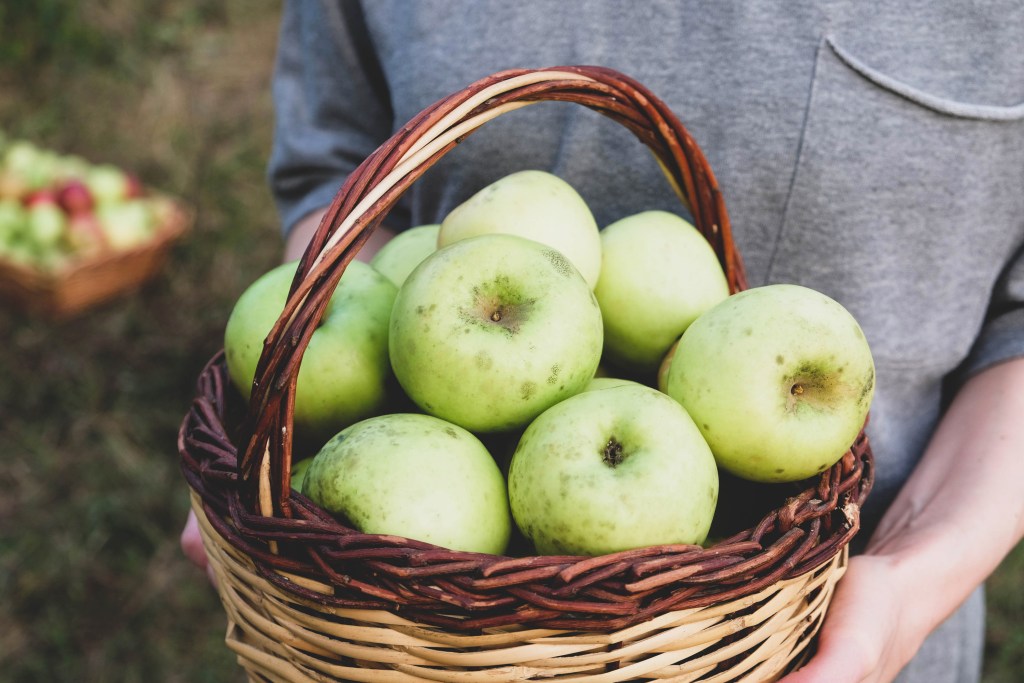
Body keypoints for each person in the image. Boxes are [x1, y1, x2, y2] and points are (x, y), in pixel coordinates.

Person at [181, 2, 1024, 681]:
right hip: (415, 639)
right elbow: (338, 158)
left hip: (816, 615)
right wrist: (279, 488)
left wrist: (912, 580)